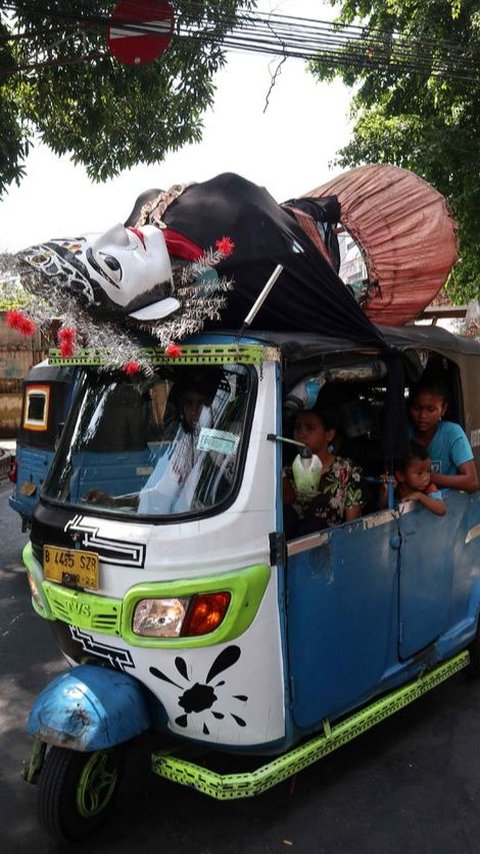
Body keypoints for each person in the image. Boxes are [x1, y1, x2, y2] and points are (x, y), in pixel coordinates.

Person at [283, 405, 364, 538]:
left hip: (329, 548)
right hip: (291, 549)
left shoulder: (348, 471)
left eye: (309, 428)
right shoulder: (286, 471)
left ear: (329, 435)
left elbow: (352, 528)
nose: (301, 434)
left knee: (315, 527)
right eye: (297, 427)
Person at [409, 378, 478, 493]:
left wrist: (429, 477)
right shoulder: (405, 433)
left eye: (430, 410)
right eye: (417, 408)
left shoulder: (452, 433)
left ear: (443, 409)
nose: (422, 415)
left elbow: (472, 482)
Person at [380, 443, 446, 516]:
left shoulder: (429, 489)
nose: (426, 477)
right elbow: (381, 510)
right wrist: (386, 492)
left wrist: (419, 496)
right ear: (400, 475)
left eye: (428, 471)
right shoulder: (395, 489)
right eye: (419, 473)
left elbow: (441, 509)